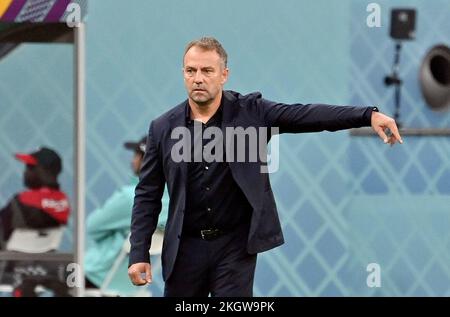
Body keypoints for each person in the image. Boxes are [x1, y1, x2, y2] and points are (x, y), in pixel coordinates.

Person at [128, 37, 403, 297]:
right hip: (185, 247)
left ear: (224, 75)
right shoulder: (163, 128)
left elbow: (308, 115)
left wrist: (367, 115)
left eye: (207, 70)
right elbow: (147, 195)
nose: (198, 78)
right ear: (183, 73)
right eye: (191, 70)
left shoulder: (253, 113)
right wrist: (139, 253)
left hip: (234, 247)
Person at [84, 136, 168, 295]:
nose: (133, 160)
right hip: (134, 286)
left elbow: (92, 227)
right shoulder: (173, 200)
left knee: (58, 272)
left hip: (97, 277)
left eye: (136, 155)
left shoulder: (131, 197)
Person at [0, 147, 70, 249]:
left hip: (12, 260)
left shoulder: (22, 200)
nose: (25, 172)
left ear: (46, 171)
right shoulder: (63, 202)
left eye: (30, 167)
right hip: (46, 260)